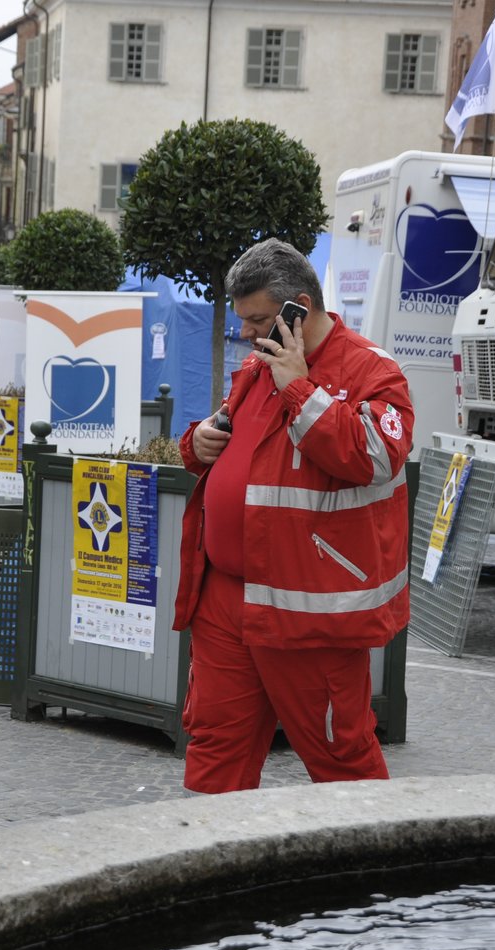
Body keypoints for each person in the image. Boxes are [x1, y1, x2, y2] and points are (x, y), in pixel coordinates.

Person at [173, 238, 413, 794]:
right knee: (214, 746)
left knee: (340, 757)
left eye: (257, 320)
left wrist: (300, 388)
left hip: (308, 608)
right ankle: (213, 870)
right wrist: (198, 443)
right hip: (227, 601)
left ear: (298, 306)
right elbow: (235, 438)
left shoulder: (374, 371)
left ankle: (370, 877)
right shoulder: (259, 366)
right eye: (242, 321)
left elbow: (373, 456)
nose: (246, 335)